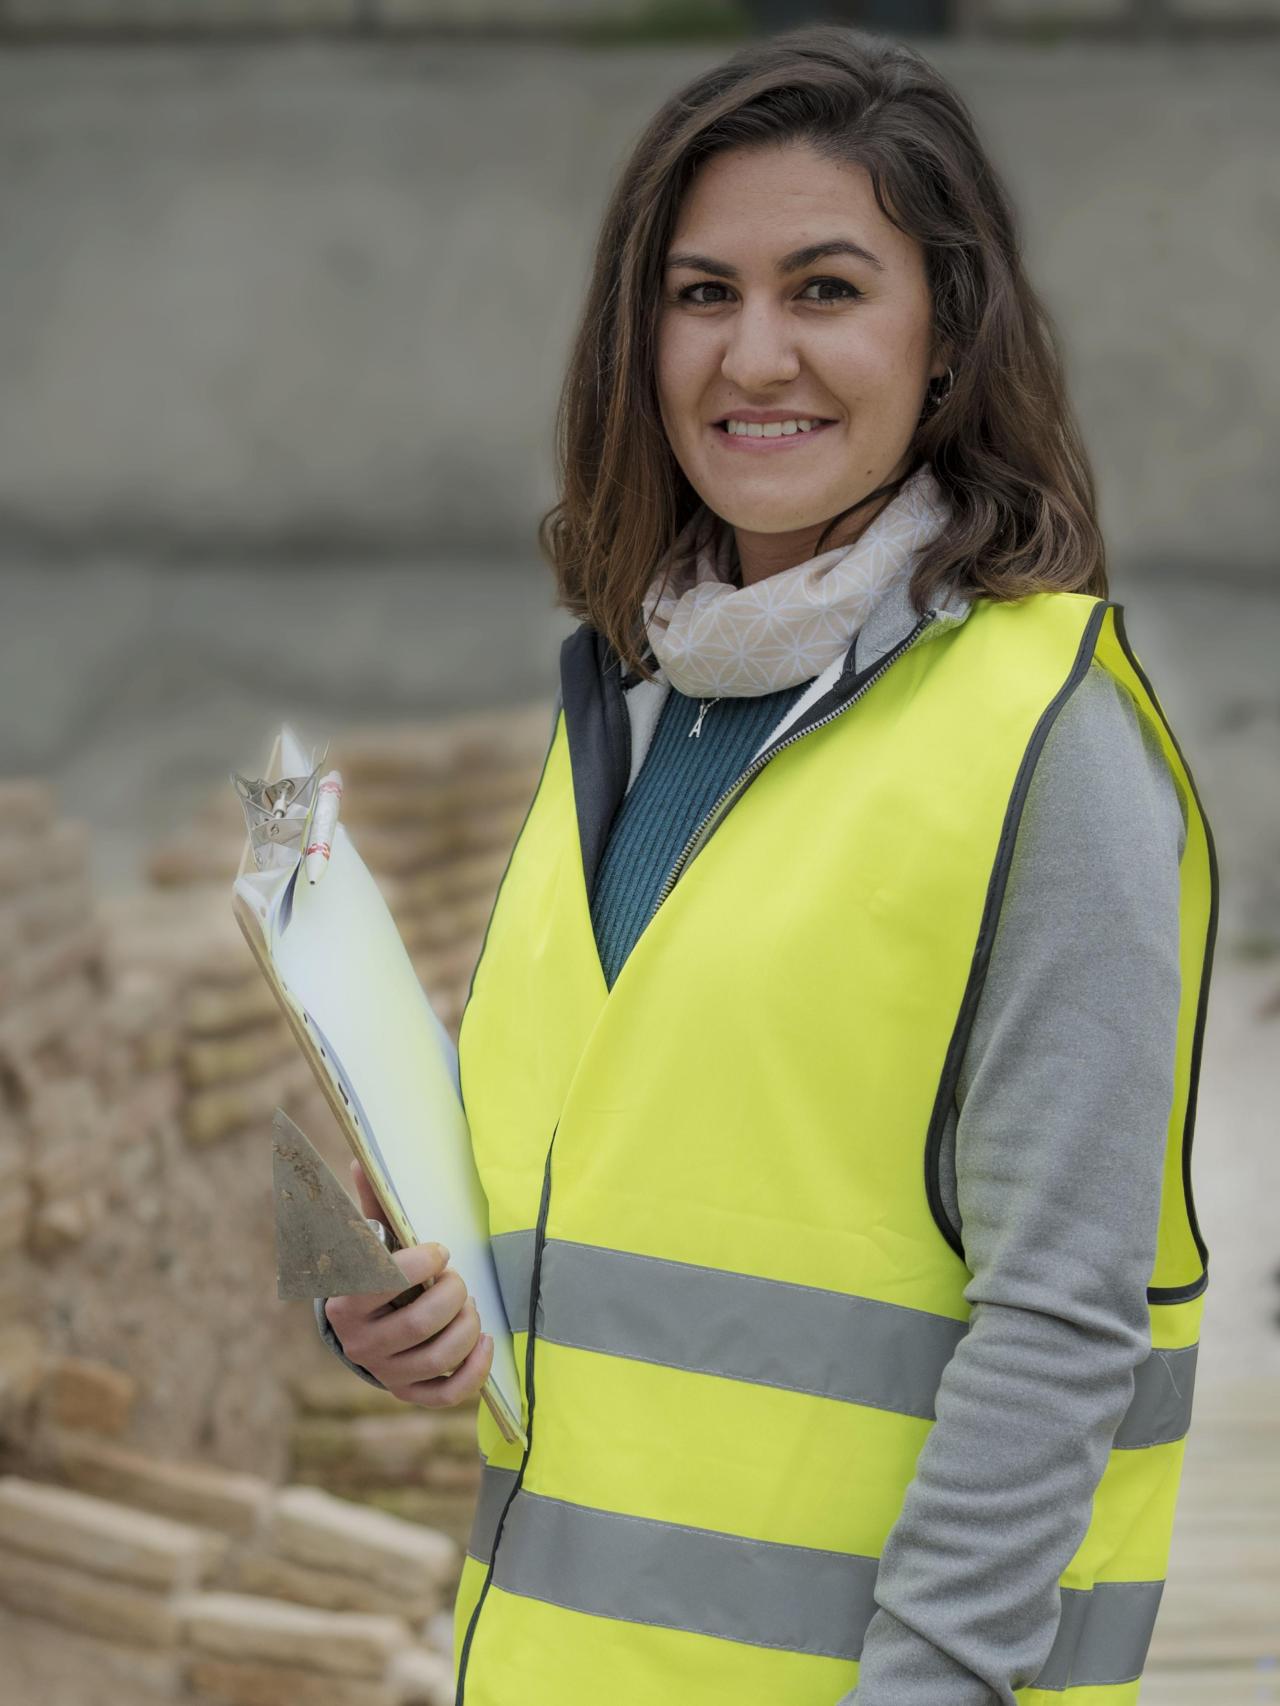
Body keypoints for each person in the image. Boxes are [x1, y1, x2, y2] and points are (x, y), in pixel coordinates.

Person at [319, 24, 1218, 1706]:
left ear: (945, 340)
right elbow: (612, 1189)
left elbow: (1061, 1319)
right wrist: (405, 1307)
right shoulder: (642, 701)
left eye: (825, 289)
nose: (756, 356)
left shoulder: (1047, 743)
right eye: (701, 293)